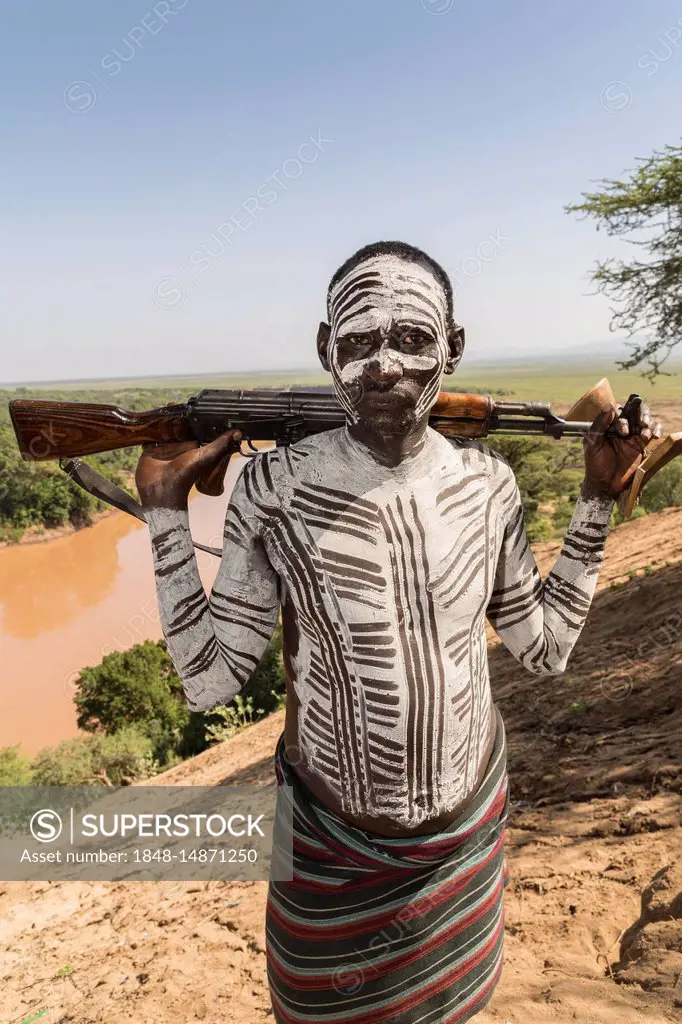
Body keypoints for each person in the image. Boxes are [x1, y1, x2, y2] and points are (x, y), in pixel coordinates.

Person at [136, 241, 659, 1023]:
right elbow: (209, 682)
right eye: (357, 343)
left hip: (461, 853)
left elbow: (543, 651)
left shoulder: (489, 487)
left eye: (412, 339)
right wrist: (165, 514)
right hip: (333, 863)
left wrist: (594, 498)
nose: (383, 367)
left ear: (452, 346)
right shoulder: (274, 491)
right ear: (326, 351)